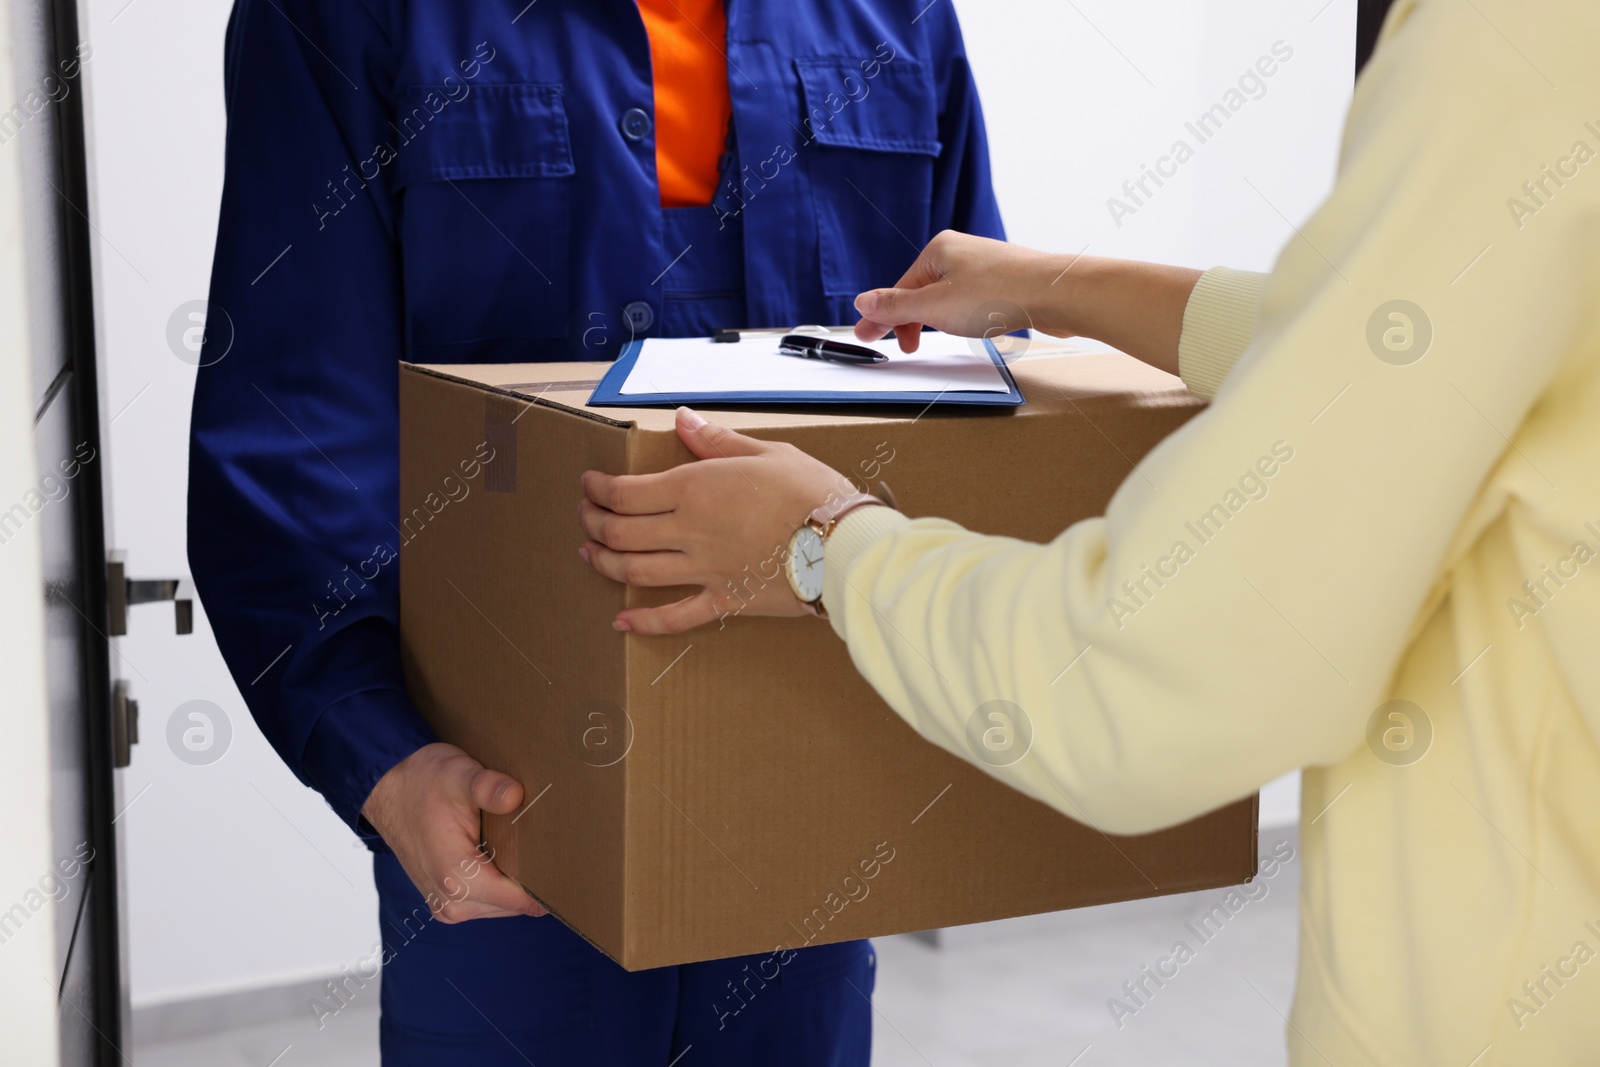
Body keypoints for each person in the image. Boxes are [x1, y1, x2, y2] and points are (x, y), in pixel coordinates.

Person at [576, 0, 1600, 1061]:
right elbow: (1407, 344)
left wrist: (824, 546)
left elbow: (1160, 671)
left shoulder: (1510, 40)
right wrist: (1053, 287)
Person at [186, 0, 1003, 1062]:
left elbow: (964, 371)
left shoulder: (899, 18)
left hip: (810, 781)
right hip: (501, 803)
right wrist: (381, 757)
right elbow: (295, 411)